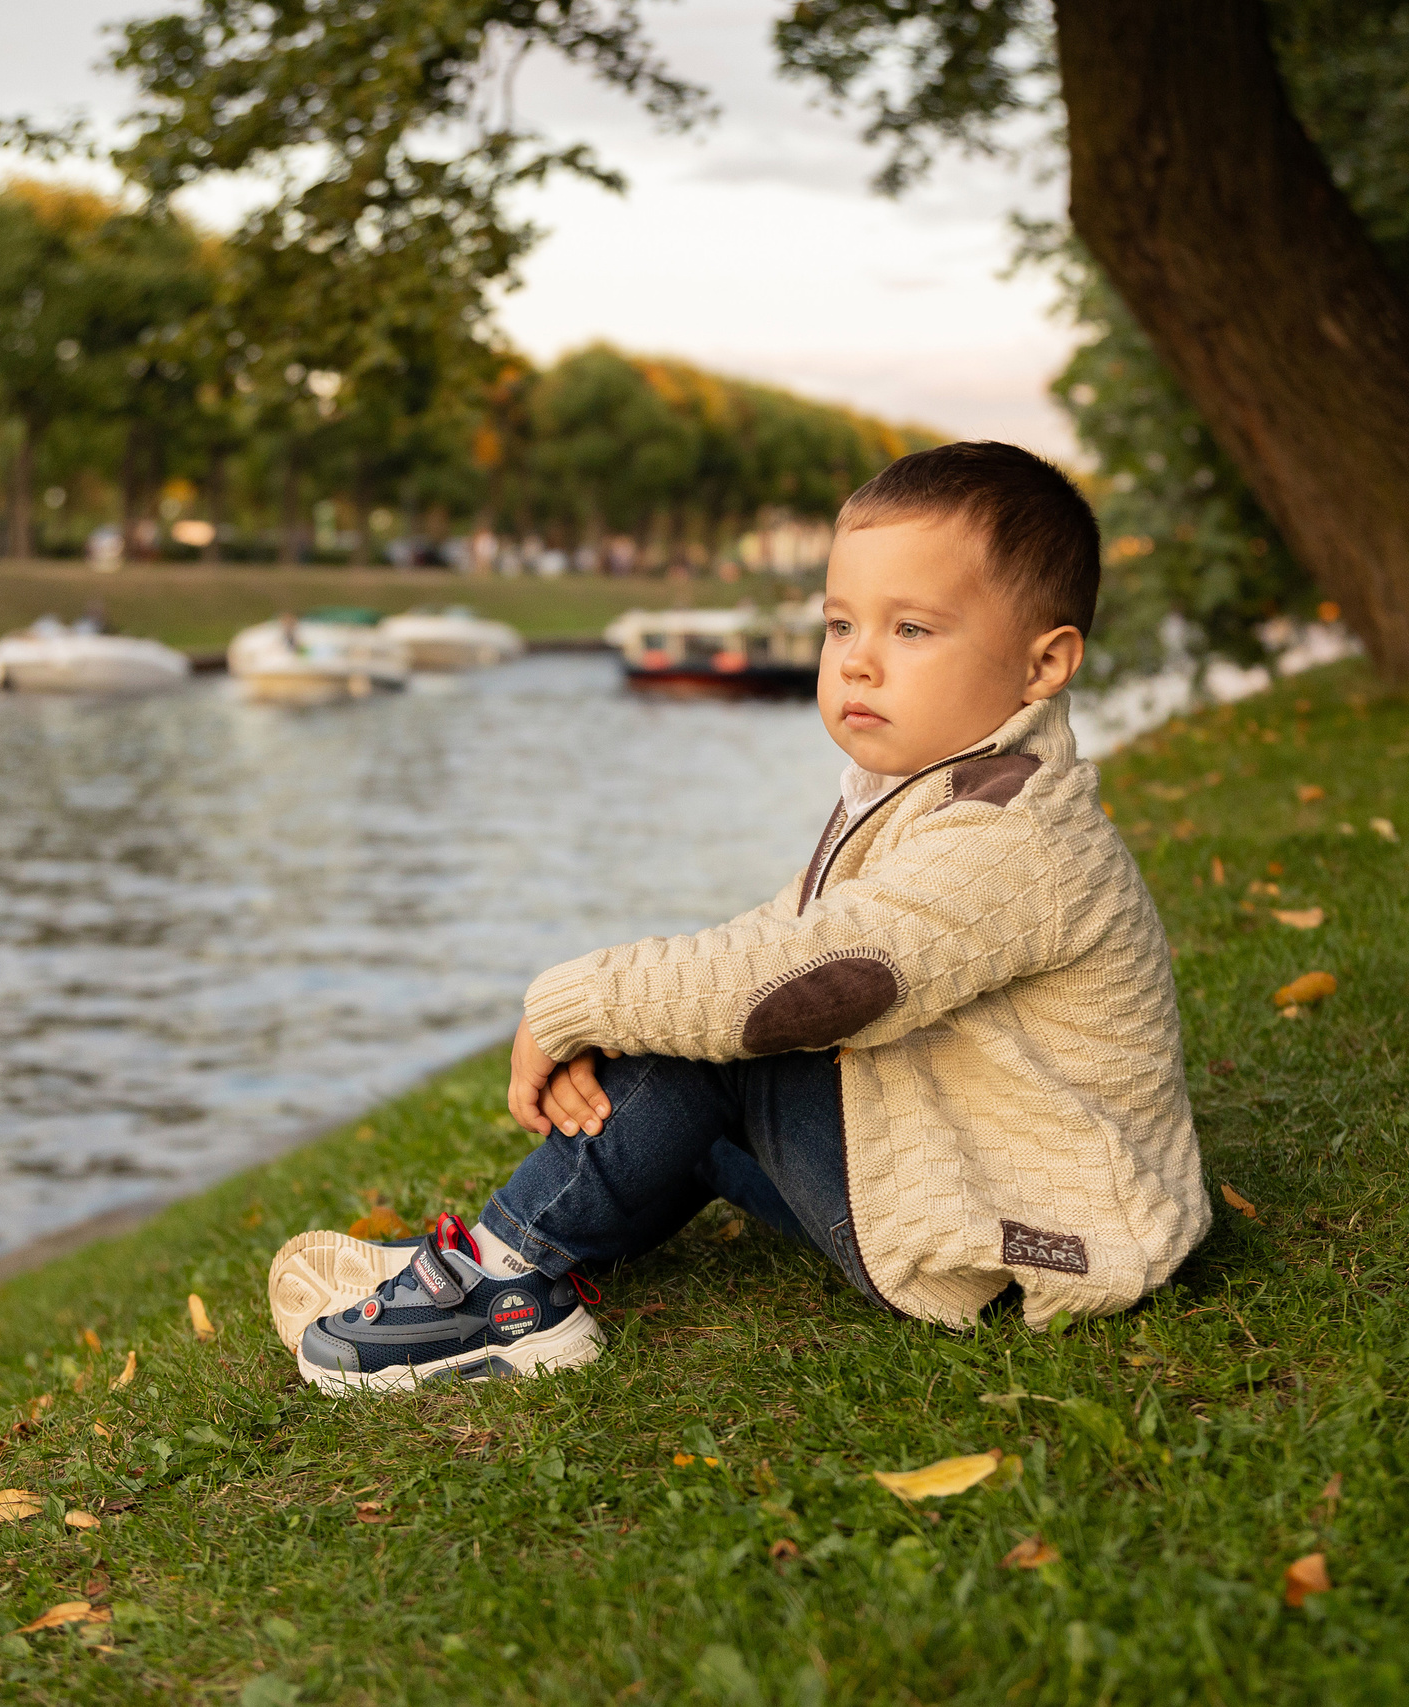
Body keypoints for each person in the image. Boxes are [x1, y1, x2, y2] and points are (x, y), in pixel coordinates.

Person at [270, 441, 1209, 1393]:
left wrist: (575, 999)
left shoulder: (1013, 841)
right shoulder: (936, 785)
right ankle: (522, 1247)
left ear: (1044, 662)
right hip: (965, 1169)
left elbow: (808, 982)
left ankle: (507, 1295)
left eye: (914, 630)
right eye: (841, 625)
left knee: (701, 1045)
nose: (860, 664)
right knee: (685, 1035)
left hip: (1029, 1243)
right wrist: (628, 1001)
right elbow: (795, 925)